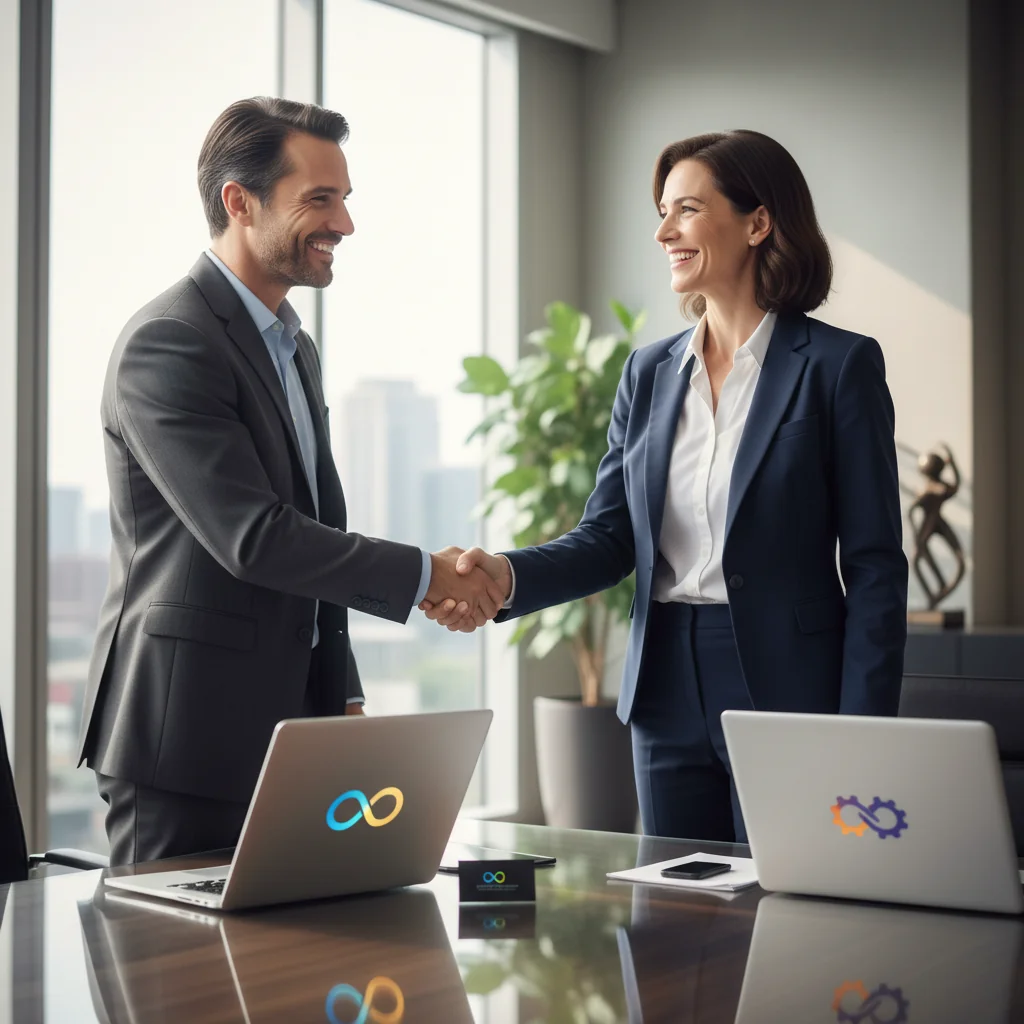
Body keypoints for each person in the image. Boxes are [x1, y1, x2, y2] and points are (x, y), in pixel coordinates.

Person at [424, 130, 909, 843]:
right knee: (670, 923)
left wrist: (864, 734)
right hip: (664, 692)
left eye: (685, 209)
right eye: (661, 211)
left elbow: (874, 567)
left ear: (758, 222)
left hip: (789, 691)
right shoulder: (649, 372)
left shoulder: (838, 366)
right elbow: (610, 536)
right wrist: (504, 575)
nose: (663, 232)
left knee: (783, 914)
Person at [77, 97, 504, 866]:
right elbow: (254, 537)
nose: (344, 225)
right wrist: (426, 574)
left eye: (344, 199)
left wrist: (337, 685)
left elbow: (312, 529)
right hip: (186, 742)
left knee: (288, 976)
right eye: (320, 199)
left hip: (290, 732)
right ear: (238, 202)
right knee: (169, 981)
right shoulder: (168, 342)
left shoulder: (292, 347)